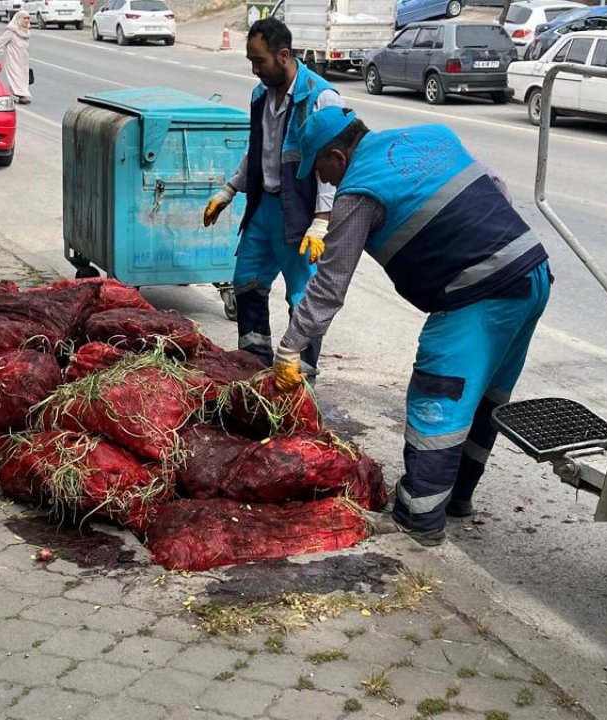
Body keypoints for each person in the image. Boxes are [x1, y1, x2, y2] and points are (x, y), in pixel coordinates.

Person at [271, 106, 552, 547]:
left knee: (437, 400)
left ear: (338, 157)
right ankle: (457, 499)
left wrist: (289, 348)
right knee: (486, 396)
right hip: (531, 272)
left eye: (320, 170)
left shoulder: (358, 192)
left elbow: (329, 285)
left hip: (477, 295)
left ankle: (418, 519)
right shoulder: (430, 135)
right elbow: (496, 186)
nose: (323, 181)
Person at [202, 18, 343, 377]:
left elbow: (333, 160)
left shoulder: (320, 98)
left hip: (299, 215)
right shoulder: (260, 95)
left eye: (259, 61)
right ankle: (255, 367)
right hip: (263, 207)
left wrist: (321, 221)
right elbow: (257, 150)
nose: (255, 70)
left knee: (303, 295)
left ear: (283, 56)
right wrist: (229, 190)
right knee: (247, 280)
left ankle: (301, 375)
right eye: (251, 61)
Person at [0, 12, 32, 105]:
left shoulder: (26, 32)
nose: (26, 20)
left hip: (23, 60)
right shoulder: (11, 31)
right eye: (24, 18)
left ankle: (10, 93)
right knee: (16, 76)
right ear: (19, 19)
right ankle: (22, 96)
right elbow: (0, 42)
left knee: (23, 77)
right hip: (13, 58)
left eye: (28, 18)